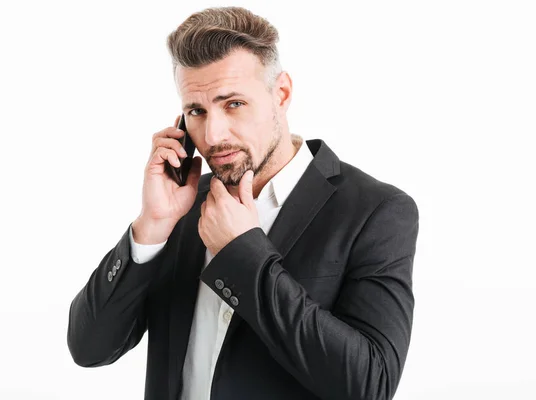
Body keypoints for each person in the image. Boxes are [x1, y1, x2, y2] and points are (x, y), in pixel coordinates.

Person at [67, 6, 420, 400]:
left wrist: (241, 254)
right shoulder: (180, 207)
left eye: (233, 103)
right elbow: (89, 349)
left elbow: (370, 384)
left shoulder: (375, 211)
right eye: (196, 111)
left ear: (281, 94)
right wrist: (151, 226)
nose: (213, 134)